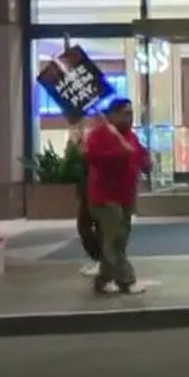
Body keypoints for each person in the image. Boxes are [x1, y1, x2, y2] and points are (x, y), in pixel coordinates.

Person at [82, 99, 150, 295]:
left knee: (119, 239)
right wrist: (120, 152)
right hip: (105, 197)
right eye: (125, 113)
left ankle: (103, 280)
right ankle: (126, 280)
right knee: (115, 240)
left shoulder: (130, 136)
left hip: (125, 196)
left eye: (131, 113)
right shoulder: (99, 135)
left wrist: (145, 161)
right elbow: (93, 158)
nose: (130, 117)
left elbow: (139, 156)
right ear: (112, 115)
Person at [70, 118, 103, 277]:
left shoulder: (100, 142)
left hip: (95, 191)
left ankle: (101, 260)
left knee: (91, 226)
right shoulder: (90, 143)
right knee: (85, 227)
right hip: (87, 191)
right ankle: (99, 259)